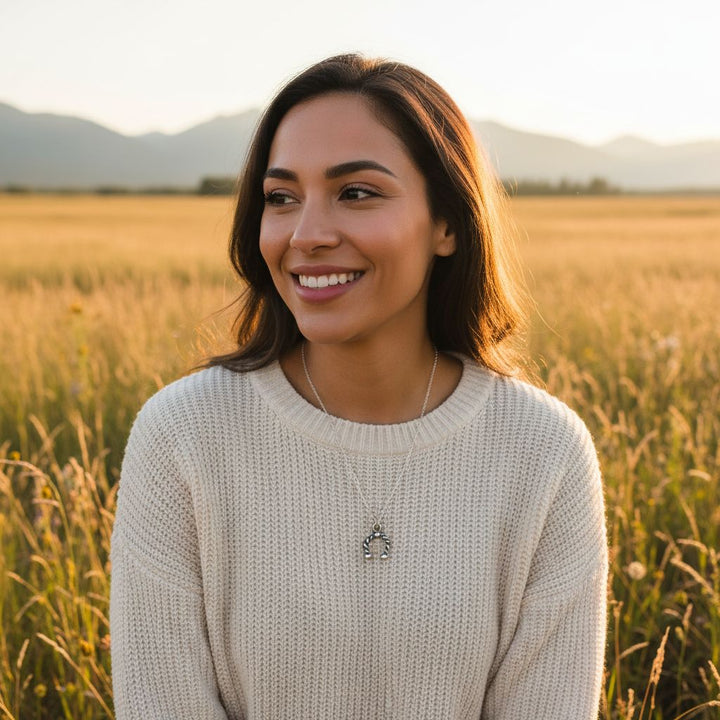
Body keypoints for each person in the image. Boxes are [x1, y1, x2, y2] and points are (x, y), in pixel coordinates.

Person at [109, 54, 608, 719]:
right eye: (281, 198)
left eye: (356, 193)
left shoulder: (544, 452)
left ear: (448, 224)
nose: (306, 235)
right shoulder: (182, 436)